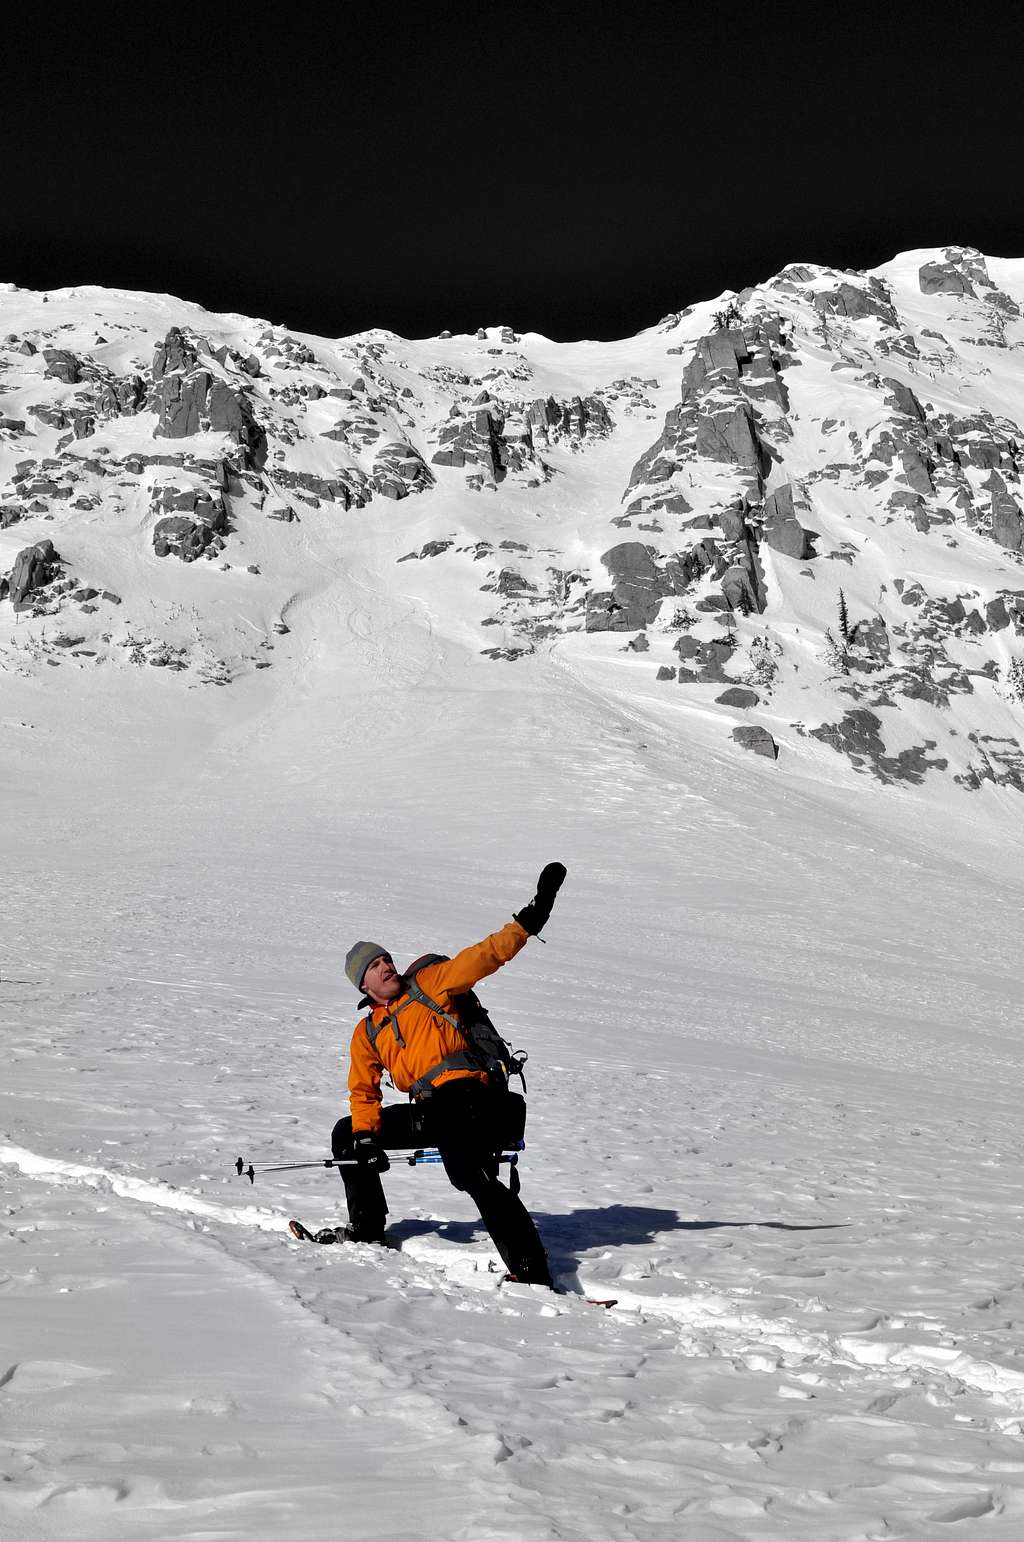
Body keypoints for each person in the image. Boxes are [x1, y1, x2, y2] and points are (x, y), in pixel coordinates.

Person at [331, 863, 566, 1286]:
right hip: (431, 1109)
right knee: (347, 1133)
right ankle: (367, 1230)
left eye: (386, 958)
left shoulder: (433, 984)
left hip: (468, 1096)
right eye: (375, 966)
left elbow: (485, 955)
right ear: (363, 986)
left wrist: (532, 917)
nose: (386, 965)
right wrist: (366, 1137)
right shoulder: (367, 1032)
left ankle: (531, 1268)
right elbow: (363, 1090)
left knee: (466, 1171)